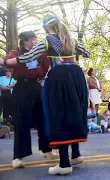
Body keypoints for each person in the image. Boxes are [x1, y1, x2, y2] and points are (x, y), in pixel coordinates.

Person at [0, 15, 90, 175]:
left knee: (58, 115)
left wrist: (5, 62)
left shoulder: (47, 41)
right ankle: (74, 154)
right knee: (74, 113)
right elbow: (87, 53)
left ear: (46, 28)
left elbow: (28, 57)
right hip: (75, 76)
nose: (34, 41)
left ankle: (63, 162)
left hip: (57, 79)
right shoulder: (71, 39)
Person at [2, 31, 59, 168]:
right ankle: (18, 156)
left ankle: (47, 149)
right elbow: (7, 62)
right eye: (31, 40)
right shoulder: (15, 54)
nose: (34, 42)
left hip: (36, 86)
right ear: (24, 41)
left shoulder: (41, 53)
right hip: (21, 87)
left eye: (35, 39)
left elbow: (46, 67)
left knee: (43, 119)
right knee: (21, 121)